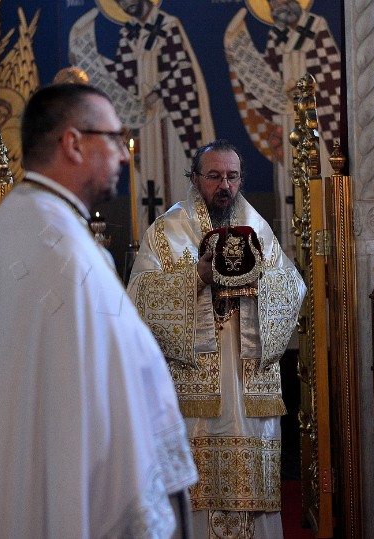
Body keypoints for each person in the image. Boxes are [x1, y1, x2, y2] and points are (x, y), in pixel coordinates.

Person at [0, 83, 197, 538]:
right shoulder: (60, 250)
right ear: (72, 143)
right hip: (82, 499)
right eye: (114, 138)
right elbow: (89, 398)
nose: (124, 156)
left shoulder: (26, 221)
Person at [128, 139, 306, 538]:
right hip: (195, 394)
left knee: (251, 487)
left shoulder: (258, 228)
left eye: (231, 176)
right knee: (197, 489)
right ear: (195, 179)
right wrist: (197, 278)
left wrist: (261, 283)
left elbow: (294, 287)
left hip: (247, 387)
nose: (223, 185)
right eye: (214, 176)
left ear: (240, 179)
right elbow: (138, 296)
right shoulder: (167, 232)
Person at [69, 0, 215, 238]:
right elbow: (122, 78)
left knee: (176, 183)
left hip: (170, 123)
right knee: (148, 191)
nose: (125, 4)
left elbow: (182, 71)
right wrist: (93, 65)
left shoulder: (168, 26)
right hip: (144, 129)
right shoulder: (129, 33)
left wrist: (158, 93)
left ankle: (185, 246)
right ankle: (153, 247)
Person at [224, 0, 342, 255]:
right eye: (272, 3)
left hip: (315, 120)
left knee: (316, 183)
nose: (278, 6)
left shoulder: (315, 26)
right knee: (289, 188)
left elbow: (332, 75)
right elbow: (267, 82)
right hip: (288, 122)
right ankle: (291, 254)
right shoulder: (275, 36)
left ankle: (322, 256)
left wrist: (306, 89)